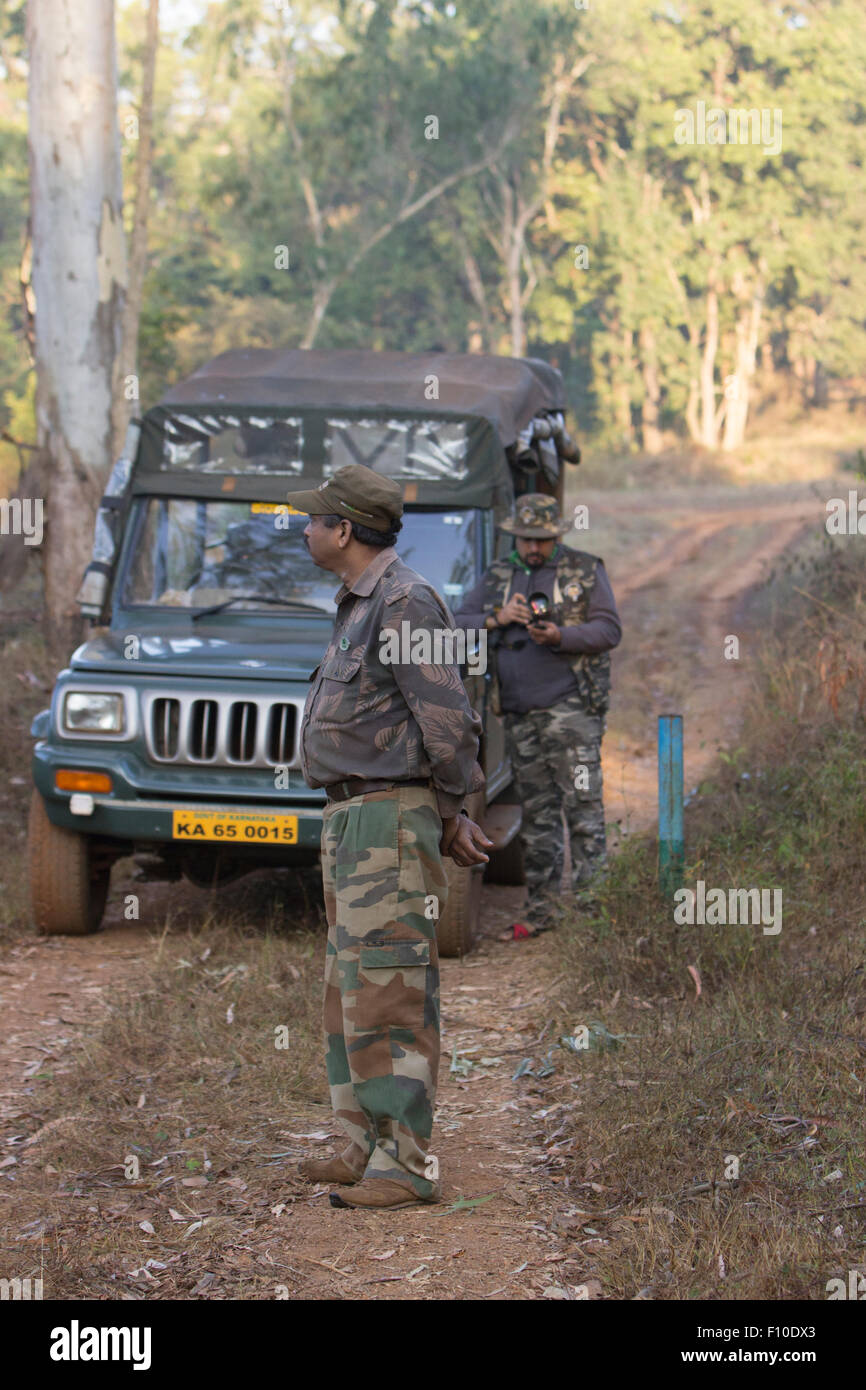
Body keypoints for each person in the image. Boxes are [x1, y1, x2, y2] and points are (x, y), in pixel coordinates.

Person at [286, 463, 492, 1211]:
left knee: (391, 989)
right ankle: (364, 1143)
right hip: (350, 815)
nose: (303, 528)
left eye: (314, 518)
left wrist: (449, 814)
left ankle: (404, 1162)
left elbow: (448, 725)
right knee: (350, 989)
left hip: (387, 817)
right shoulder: (359, 603)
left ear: (343, 531)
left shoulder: (406, 603)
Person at [454, 494, 621, 934]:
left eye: (542, 540)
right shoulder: (500, 575)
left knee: (583, 811)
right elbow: (454, 621)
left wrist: (561, 635)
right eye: (527, 539)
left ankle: (593, 915)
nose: (533, 548)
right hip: (519, 715)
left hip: (571, 711)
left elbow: (609, 629)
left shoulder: (585, 570)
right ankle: (540, 911)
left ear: (557, 535)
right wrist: (497, 616)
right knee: (538, 816)